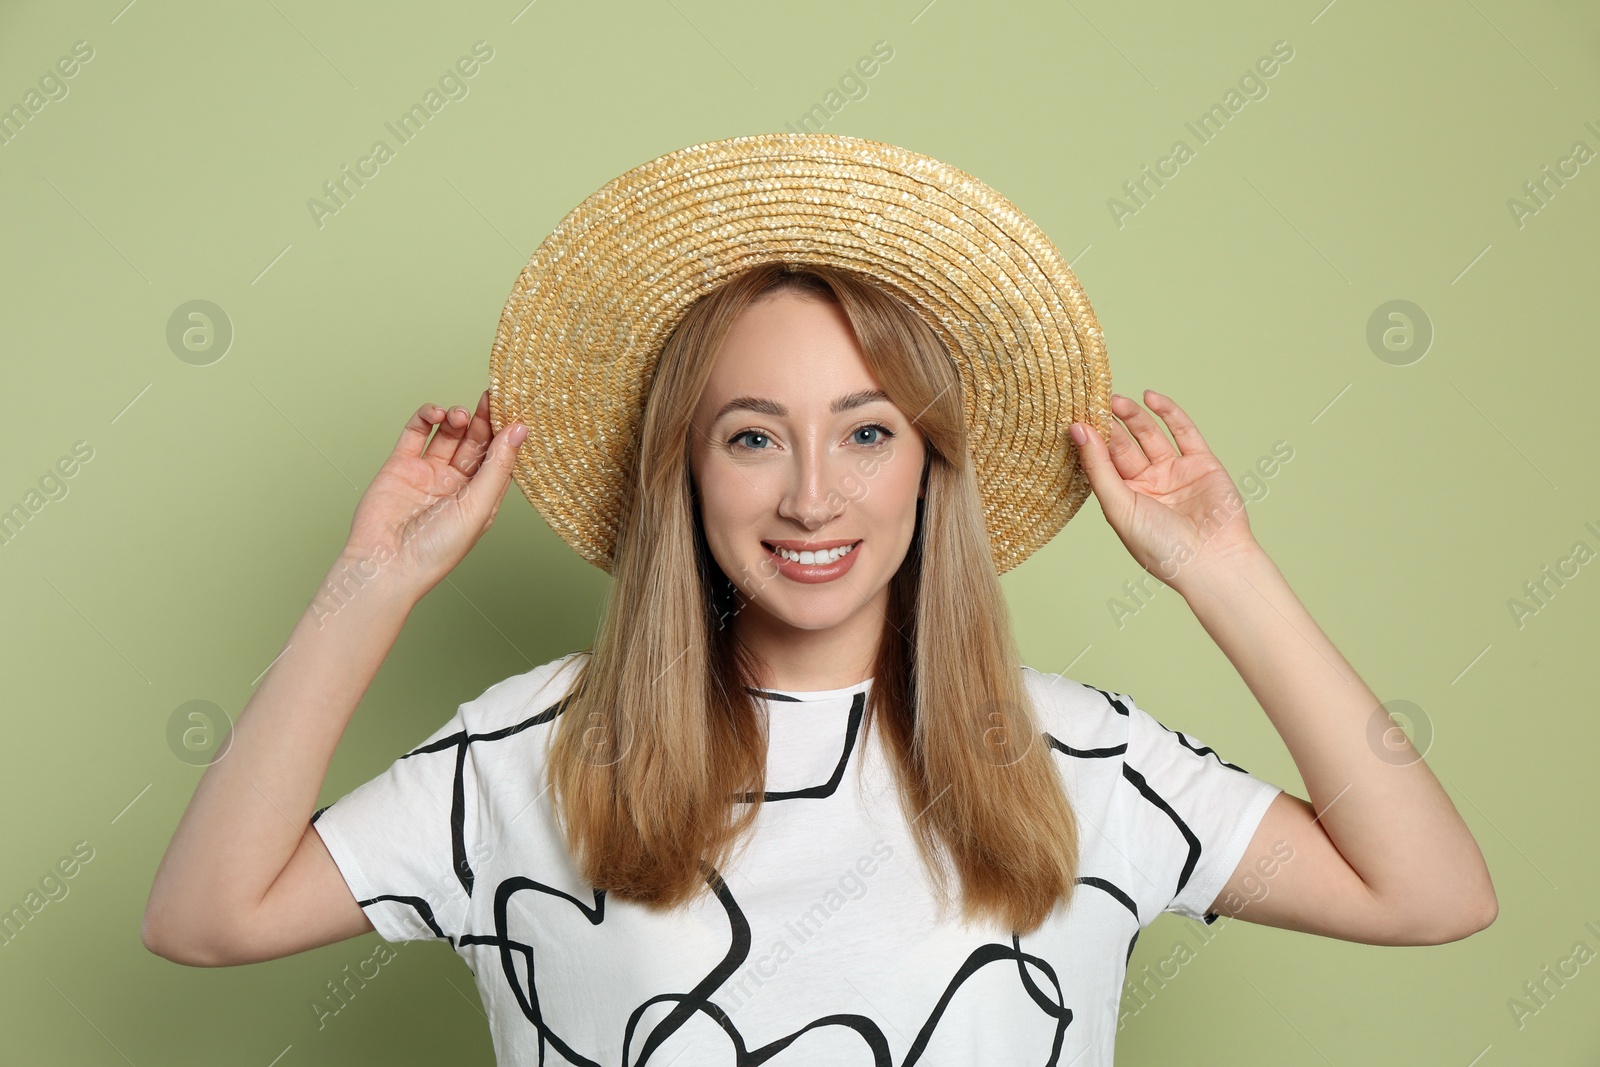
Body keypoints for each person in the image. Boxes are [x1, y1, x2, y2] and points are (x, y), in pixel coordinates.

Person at [141, 136, 1496, 1066]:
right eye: (750, 435)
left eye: (863, 434)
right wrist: (374, 583)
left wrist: (1223, 570)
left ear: (928, 468)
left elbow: (1430, 894)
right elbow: (207, 917)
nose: (809, 498)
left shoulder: (1079, 759)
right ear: (687, 470)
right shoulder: (538, 748)